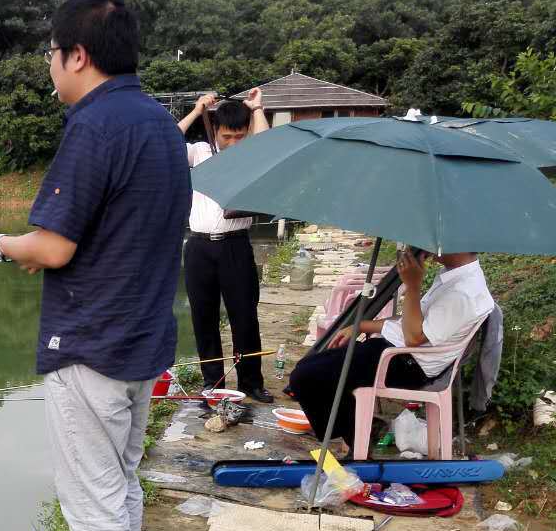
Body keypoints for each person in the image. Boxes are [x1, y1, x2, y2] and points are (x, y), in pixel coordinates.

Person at [0, 0, 191, 531]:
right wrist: (43, 251)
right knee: (120, 480)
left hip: (91, 340)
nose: (50, 69)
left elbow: (54, 246)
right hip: (142, 335)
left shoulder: (95, 126)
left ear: (78, 56)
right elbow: (108, 233)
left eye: (52, 56)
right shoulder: (158, 122)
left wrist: (0, 244)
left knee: (91, 492)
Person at [286, 247, 495, 446]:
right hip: (395, 349)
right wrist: (361, 325)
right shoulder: (454, 276)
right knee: (309, 365)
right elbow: (410, 321)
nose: (429, 247)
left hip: (409, 364)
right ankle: (358, 428)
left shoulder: (464, 293)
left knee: (306, 376)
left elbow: (414, 337)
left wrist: (412, 286)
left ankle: (357, 438)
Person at [177, 91, 272, 402]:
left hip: (235, 246)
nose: (233, 142)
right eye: (227, 136)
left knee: (244, 317)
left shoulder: (252, 154)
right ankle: (213, 382)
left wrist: (256, 109)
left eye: (239, 136)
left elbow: (267, 144)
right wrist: (196, 110)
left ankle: (251, 382)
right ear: (215, 131)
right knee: (203, 318)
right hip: (198, 247)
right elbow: (166, 139)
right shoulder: (200, 152)